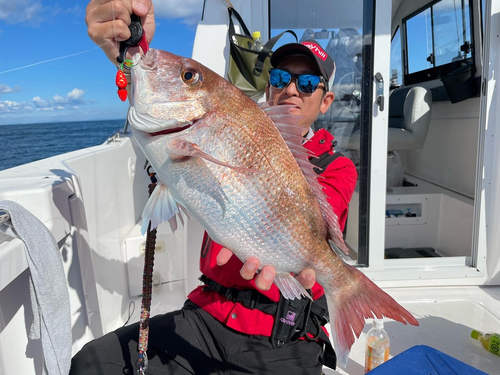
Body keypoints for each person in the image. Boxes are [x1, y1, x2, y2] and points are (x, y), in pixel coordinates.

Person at [74, 1, 357, 374]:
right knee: (91, 365)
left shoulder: (337, 167)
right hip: (207, 315)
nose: (291, 89)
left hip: (284, 335)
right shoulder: (230, 121)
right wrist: (129, 52)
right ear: (268, 87)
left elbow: (316, 228)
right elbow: (168, 95)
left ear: (326, 100)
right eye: (279, 78)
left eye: (306, 83)